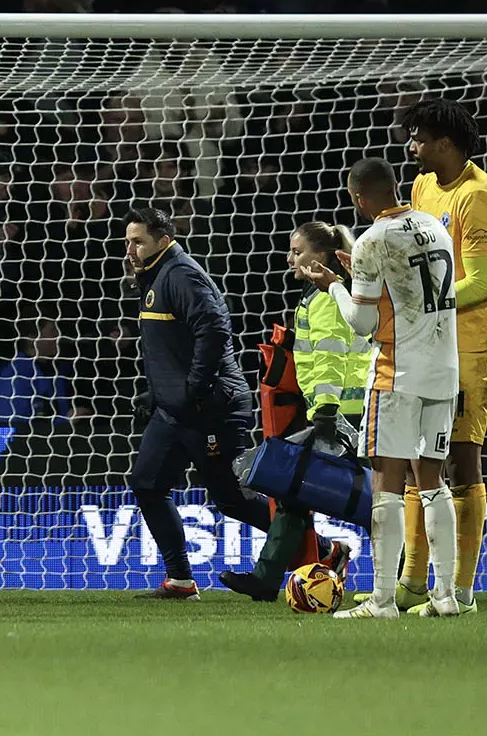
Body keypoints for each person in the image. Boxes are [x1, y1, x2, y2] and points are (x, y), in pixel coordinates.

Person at [300, 158, 462, 620]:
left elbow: (362, 323)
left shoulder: (373, 240)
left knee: (387, 483)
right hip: (443, 369)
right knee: (433, 482)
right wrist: (362, 276)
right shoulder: (432, 224)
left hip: (398, 374)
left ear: (357, 198)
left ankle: (383, 600)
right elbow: (408, 287)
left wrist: (334, 285)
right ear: (397, 186)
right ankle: (447, 596)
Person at [392, 97, 487, 617]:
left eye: (418, 137)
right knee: (421, 458)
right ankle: (413, 583)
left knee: (460, 460)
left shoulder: (478, 197)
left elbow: (482, 284)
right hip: (431, 340)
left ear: (445, 142)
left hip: (471, 344)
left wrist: (419, 301)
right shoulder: (421, 186)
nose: (411, 145)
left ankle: (460, 593)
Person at [123, 205, 271, 599]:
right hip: (175, 410)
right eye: (128, 241)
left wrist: (191, 389)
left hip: (211, 409)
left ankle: (324, 551)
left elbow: (215, 330)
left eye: (138, 241)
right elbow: (176, 346)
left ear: (163, 241)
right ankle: (180, 580)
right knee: (146, 484)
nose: (130, 250)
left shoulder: (182, 275)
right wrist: (159, 392)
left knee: (232, 499)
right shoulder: (157, 276)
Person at [218, 221, 368, 601]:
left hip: (342, 412)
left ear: (322, 257)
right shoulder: (316, 296)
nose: (290, 260)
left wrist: (329, 410)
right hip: (330, 409)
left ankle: (403, 576)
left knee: (371, 500)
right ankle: (266, 579)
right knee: (295, 493)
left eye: (297, 252)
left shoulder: (327, 298)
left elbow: (332, 355)